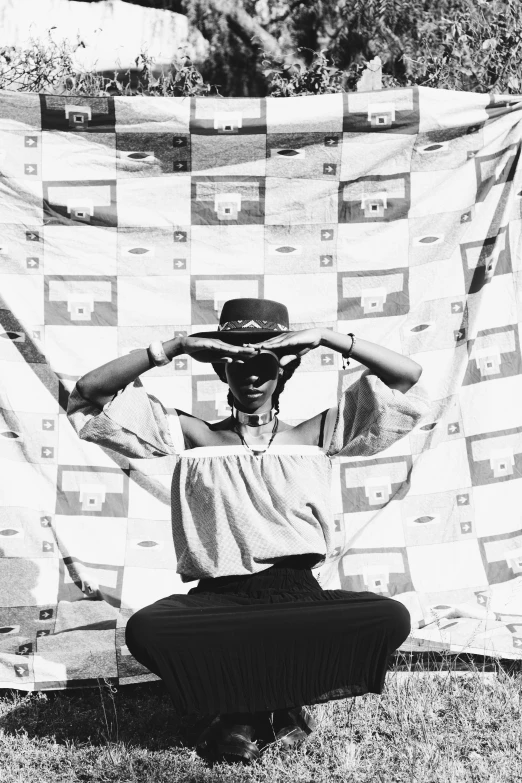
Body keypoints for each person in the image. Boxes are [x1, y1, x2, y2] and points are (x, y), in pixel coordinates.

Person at [67, 297, 429, 765]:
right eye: (237, 367)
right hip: (219, 598)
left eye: (264, 366)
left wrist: (326, 337)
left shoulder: (318, 436)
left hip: (299, 596)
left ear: (284, 372)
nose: (252, 378)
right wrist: (173, 346)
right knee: (147, 629)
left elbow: (405, 378)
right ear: (221, 372)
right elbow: (90, 393)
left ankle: (242, 712)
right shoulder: (191, 435)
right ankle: (275, 709)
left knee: (389, 618)